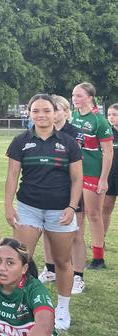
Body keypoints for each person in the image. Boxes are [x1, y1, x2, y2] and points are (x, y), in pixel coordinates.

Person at [5, 94, 83, 331]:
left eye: (46, 110)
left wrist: (71, 207)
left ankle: (62, 307)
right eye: (36, 111)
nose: (41, 115)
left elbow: (77, 178)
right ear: (29, 113)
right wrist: (8, 205)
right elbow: (12, 177)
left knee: (61, 260)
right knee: (22, 259)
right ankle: (23, 305)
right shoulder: (20, 141)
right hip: (28, 208)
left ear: (56, 112)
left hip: (60, 210)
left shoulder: (69, 142)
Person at [38, 95, 86, 295]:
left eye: (56, 109)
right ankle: (50, 270)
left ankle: (78, 276)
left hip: (69, 190)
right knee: (47, 232)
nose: (53, 113)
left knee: (76, 235)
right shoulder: (42, 132)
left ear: (66, 112)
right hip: (47, 191)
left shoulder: (75, 134)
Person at [70, 82, 113, 269]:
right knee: (76, 216)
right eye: (73, 95)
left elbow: (108, 152)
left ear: (90, 97)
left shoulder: (99, 121)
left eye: (79, 95)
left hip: (93, 173)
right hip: (75, 173)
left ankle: (98, 258)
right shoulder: (73, 116)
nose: (74, 99)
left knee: (94, 215)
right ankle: (76, 253)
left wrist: (103, 179)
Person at [102, 103, 118, 262]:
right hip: (110, 177)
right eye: (109, 114)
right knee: (105, 209)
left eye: (114, 114)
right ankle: (101, 239)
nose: (111, 117)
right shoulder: (107, 133)